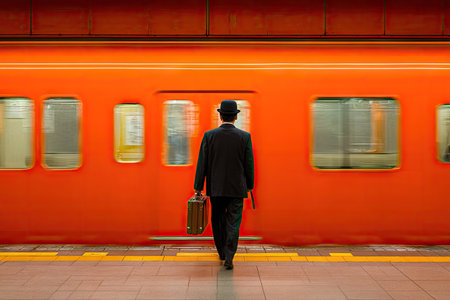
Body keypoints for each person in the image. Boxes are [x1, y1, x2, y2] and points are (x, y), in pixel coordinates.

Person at [194, 100, 254, 270]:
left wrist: (198, 187)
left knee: (218, 220)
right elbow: (248, 164)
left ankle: (221, 252)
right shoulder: (244, 137)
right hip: (237, 189)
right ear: (236, 116)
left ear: (220, 116)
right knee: (233, 222)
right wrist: (249, 185)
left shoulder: (209, 136)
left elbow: (202, 163)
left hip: (216, 189)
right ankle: (230, 255)